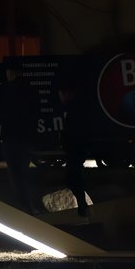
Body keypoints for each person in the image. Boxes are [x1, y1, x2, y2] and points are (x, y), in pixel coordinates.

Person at [0, 66, 40, 214]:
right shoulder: (31, 90)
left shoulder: (8, 90)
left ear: (11, 73)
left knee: (15, 174)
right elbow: (36, 114)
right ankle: (28, 207)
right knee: (23, 173)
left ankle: (22, 207)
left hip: (11, 137)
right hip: (26, 138)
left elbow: (1, 113)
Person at [57, 80, 94, 219]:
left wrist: (67, 143)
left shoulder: (74, 109)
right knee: (74, 175)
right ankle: (82, 205)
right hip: (77, 147)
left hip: (75, 148)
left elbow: (73, 131)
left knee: (72, 176)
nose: (61, 98)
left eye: (61, 94)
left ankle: (82, 206)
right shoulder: (77, 107)